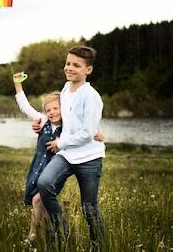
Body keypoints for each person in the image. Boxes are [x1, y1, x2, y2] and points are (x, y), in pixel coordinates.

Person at [13, 71, 104, 246]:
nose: (52, 112)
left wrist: (97, 134)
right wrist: (18, 84)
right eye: (48, 110)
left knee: (37, 200)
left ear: (63, 108)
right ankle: (52, 236)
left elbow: (86, 128)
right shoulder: (43, 120)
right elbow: (25, 107)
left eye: (56, 108)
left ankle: (33, 235)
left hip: (55, 168)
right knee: (42, 204)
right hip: (38, 169)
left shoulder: (67, 128)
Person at [33, 46, 106, 248]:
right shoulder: (65, 89)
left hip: (89, 158)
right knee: (44, 183)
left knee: (89, 209)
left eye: (76, 65)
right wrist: (42, 125)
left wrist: (60, 143)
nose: (70, 68)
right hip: (67, 155)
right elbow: (62, 118)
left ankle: (98, 245)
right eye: (68, 63)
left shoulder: (91, 96)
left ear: (88, 70)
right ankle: (61, 229)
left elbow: (86, 132)